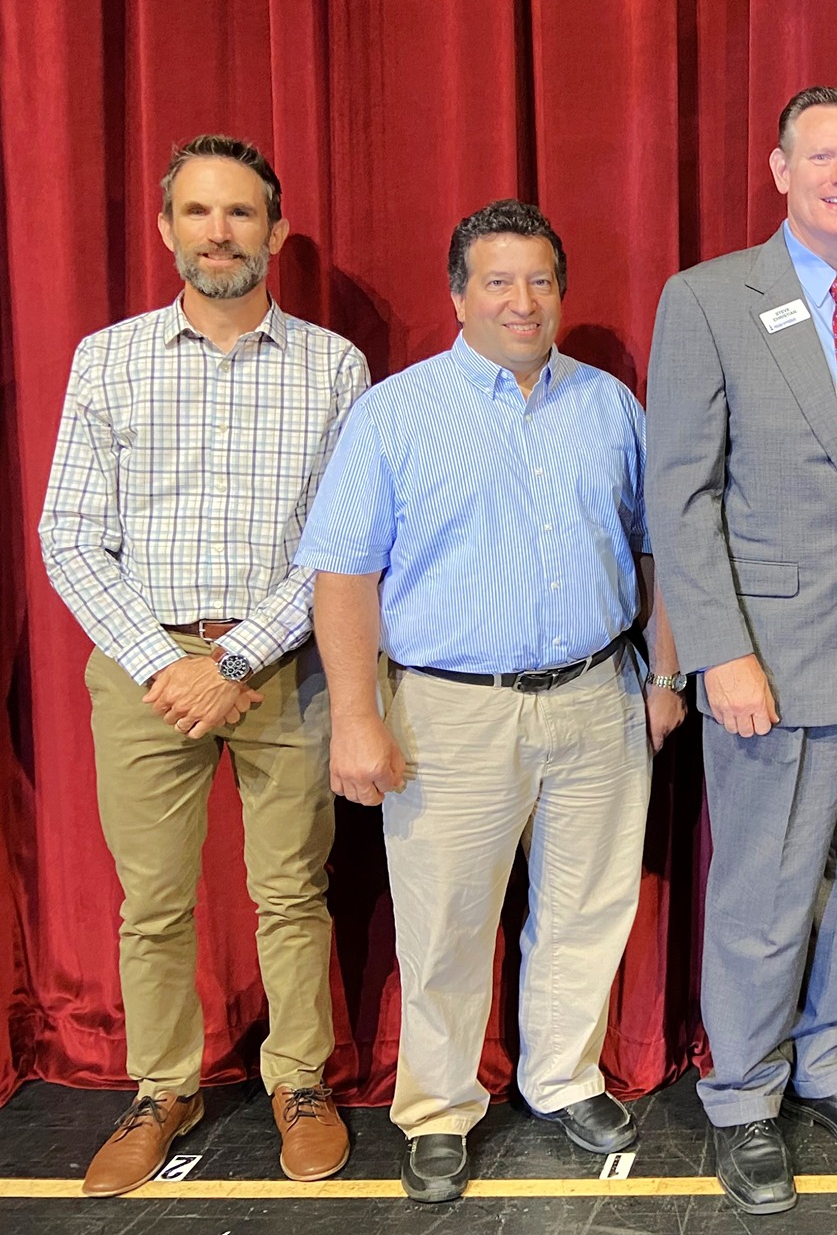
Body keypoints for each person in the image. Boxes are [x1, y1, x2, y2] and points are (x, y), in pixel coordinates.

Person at [297, 200, 682, 1204]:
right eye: (498, 281)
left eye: (540, 280)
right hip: (451, 711)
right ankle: (437, 1109)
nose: (522, 300)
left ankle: (561, 1080)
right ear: (458, 294)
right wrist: (354, 715)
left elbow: (656, 548)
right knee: (446, 924)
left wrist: (664, 673)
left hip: (600, 696)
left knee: (587, 910)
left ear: (563, 291)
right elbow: (341, 575)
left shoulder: (609, 406)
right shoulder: (394, 414)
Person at [40, 134, 365, 1195]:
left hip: (281, 660)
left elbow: (342, 539)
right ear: (168, 228)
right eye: (197, 212)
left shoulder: (334, 365)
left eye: (239, 215)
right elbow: (69, 535)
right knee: (154, 899)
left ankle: (298, 1081)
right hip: (144, 669)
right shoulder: (108, 358)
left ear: (274, 234)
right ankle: (162, 1085)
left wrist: (233, 657)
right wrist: (160, 661)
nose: (217, 233)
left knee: (291, 890)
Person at [646, 86, 837, 1214]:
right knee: (765, 891)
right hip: (766, 660)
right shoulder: (710, 298)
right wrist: (715, 651)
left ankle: (826, 1066)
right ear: (778, 169)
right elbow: (677, 495)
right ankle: (741, 1096)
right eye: (819, 157)